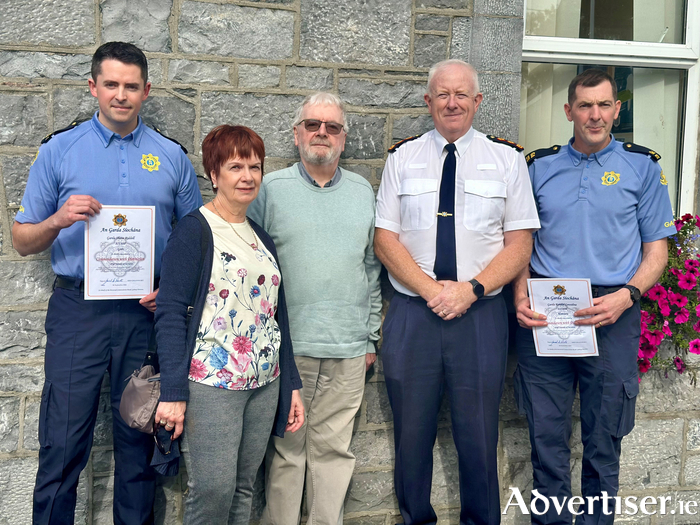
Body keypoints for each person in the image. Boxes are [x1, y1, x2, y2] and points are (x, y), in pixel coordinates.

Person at [12, 42, 202, 525]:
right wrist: (58, 219)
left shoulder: (171, 157)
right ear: (93, 86)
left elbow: (196, 241)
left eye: (131, 86)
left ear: (146, 91)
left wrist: (174, 290)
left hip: (146, 314)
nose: (121, 95)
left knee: (138, 441)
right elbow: (21, 240)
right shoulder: (60, 150)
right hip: (80, 313)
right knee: (63, 440)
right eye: (111, 84)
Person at [374, 59, 541, 524]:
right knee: (411, 435)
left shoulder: (506, 160)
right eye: (442, 94)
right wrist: (433, 291)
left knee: (478, 434)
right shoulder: (402, 158)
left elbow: (520, 243)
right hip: (414, 314)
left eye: (461, 94)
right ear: (428, 102)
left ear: (477, 102)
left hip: (481, 316)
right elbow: (385, 240)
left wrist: (470, 290)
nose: (452, 102)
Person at [514, 68, 674, 524]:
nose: (595, 114)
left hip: (612, 312)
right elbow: (520, 242)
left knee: (604, 443)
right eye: (585, 105)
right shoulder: (538, 167)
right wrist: (519, 296)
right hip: (547, 313)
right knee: (546, 440)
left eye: (604, 104)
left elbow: (656, 253)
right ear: (569, 111)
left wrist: (627, 295)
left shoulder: (642, 167)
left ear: (617, 109)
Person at [154, 124, 305, 525]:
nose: (247, 176)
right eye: (235, 166)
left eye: (254, 167)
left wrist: (290, 383)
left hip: (264, 383)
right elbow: (169, 312)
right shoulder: (195, 231)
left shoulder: (260, 238)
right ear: (214, 173)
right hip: (212, 385)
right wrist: (172, 391)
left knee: (242, 489)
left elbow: (277, 317)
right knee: (213, 491)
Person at [248, 92, 382, 525]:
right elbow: (253, 263)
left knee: (333, 451)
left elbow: (370, 266)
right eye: (312, 124)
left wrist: (370, 336)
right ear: (297, 133)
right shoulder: (271, 189)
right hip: (290, 347)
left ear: (343, 139)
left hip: (348, 346)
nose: (321, 133)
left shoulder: (362, 191)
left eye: (332, 127)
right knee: (287, 450)